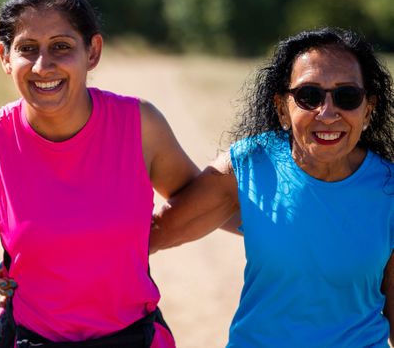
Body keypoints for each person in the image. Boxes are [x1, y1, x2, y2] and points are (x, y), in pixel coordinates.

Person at [0, 0, 200, 347]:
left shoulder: (140, 125)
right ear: (5, 58)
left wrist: (137, 241)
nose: (43, 66)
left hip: (134, 339)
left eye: (61, 46)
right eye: (27, 48)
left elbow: (203, 199)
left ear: (92, 52)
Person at [150, 27, 394, 346]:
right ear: (282, 106)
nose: (328, 113)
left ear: (368, 108)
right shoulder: (249, 166)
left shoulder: (388, 189)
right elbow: (151, 236)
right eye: (309, 96)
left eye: (347, 96)